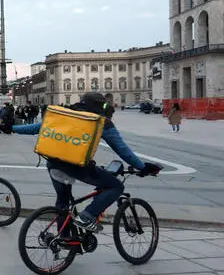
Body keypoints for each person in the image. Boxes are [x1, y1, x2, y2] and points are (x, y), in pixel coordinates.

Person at [12, 92, 161, 232]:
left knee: (63, 203)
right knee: (116, 186)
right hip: (76, 167)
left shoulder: (67, 114)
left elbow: (36, 128)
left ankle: (63, 238)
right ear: (101, 106)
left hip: (53, 163)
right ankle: (87, 216)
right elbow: (122, 150)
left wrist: (11, 128)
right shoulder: (99, 121)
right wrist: (142, 167)